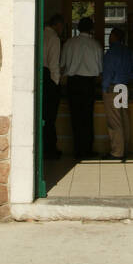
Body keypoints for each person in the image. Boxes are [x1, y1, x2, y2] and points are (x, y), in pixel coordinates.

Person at [59, 16, 103, 159]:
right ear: (91, 29)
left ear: (78, 28)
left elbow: (62, 65)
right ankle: (87, 150)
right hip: (89, 83)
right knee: (87, 117)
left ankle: (78, 150)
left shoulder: (69, 44)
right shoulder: (95, 45)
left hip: (73, 83)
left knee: (75, 117)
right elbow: (100, 68)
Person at [100, 27, 133, 161]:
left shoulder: (111, 53)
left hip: (113, 88)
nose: (109, 38)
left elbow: (108, 73)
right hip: (124, 86)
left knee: (114, 121)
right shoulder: (128, 51)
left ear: (113, 37)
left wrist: (104, 88)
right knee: (124, 118)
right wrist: (127, 77)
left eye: (110, 35)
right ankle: (125, 148)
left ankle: (117, 152)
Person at [41, 14, 65, 160]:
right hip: (48, 77)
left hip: (39, 76)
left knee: (42, 116)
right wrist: (56, 83)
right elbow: (54, 63)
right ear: (57, 25)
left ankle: (42, 148)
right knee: (50, 118)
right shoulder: (54, 38)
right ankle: (50, 149)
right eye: (62, 26)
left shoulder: (39, 34)